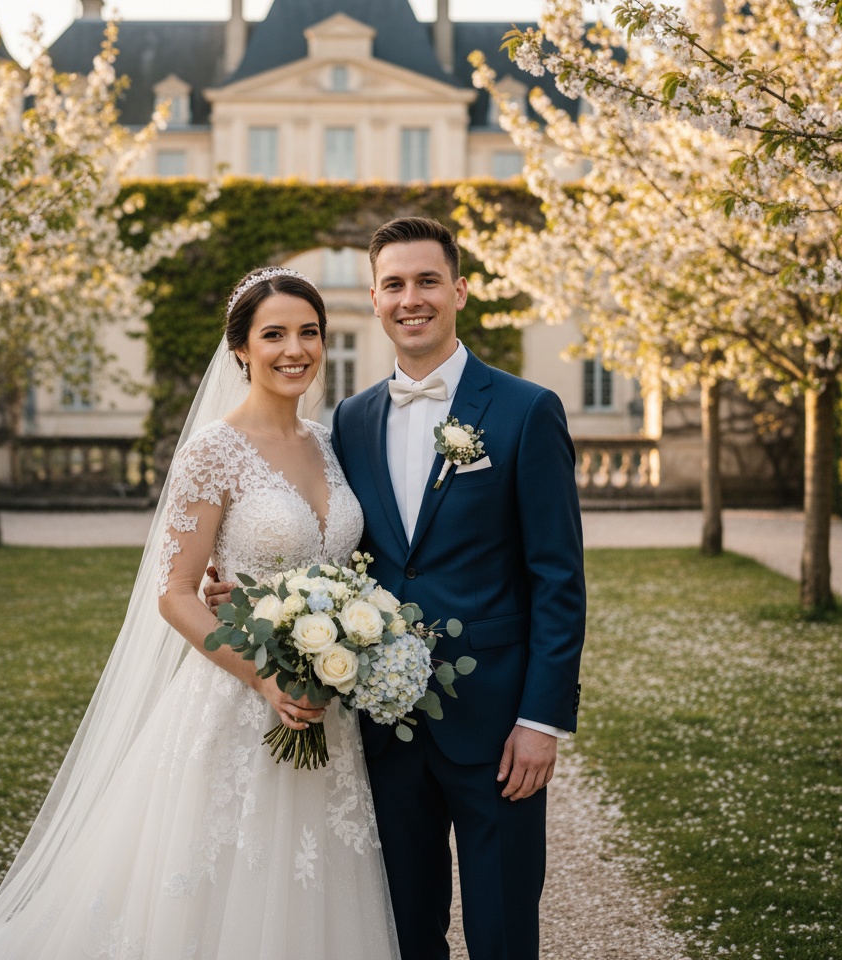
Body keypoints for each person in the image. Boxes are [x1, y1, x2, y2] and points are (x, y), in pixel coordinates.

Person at [0, 268, 401, 960]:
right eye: (274, 334)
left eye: (309, 332)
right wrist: (266, 676)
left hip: (326, 706)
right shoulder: (213, 450)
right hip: (240, 701)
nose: (295, 348)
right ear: (239, 349)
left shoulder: (328, 444)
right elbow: (175, 592)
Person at [208, 217, 586, 960]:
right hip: (380, 723)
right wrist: (250, 602)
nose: (410, 299)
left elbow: (559, 578)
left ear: (460, 291)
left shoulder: (525, 410)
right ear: (375, 298)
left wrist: (543, 720)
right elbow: (333, 549)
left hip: (498, 726)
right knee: (402, 932)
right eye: (394, 285)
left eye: (427, 281)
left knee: (504, 930)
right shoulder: (348, 421)